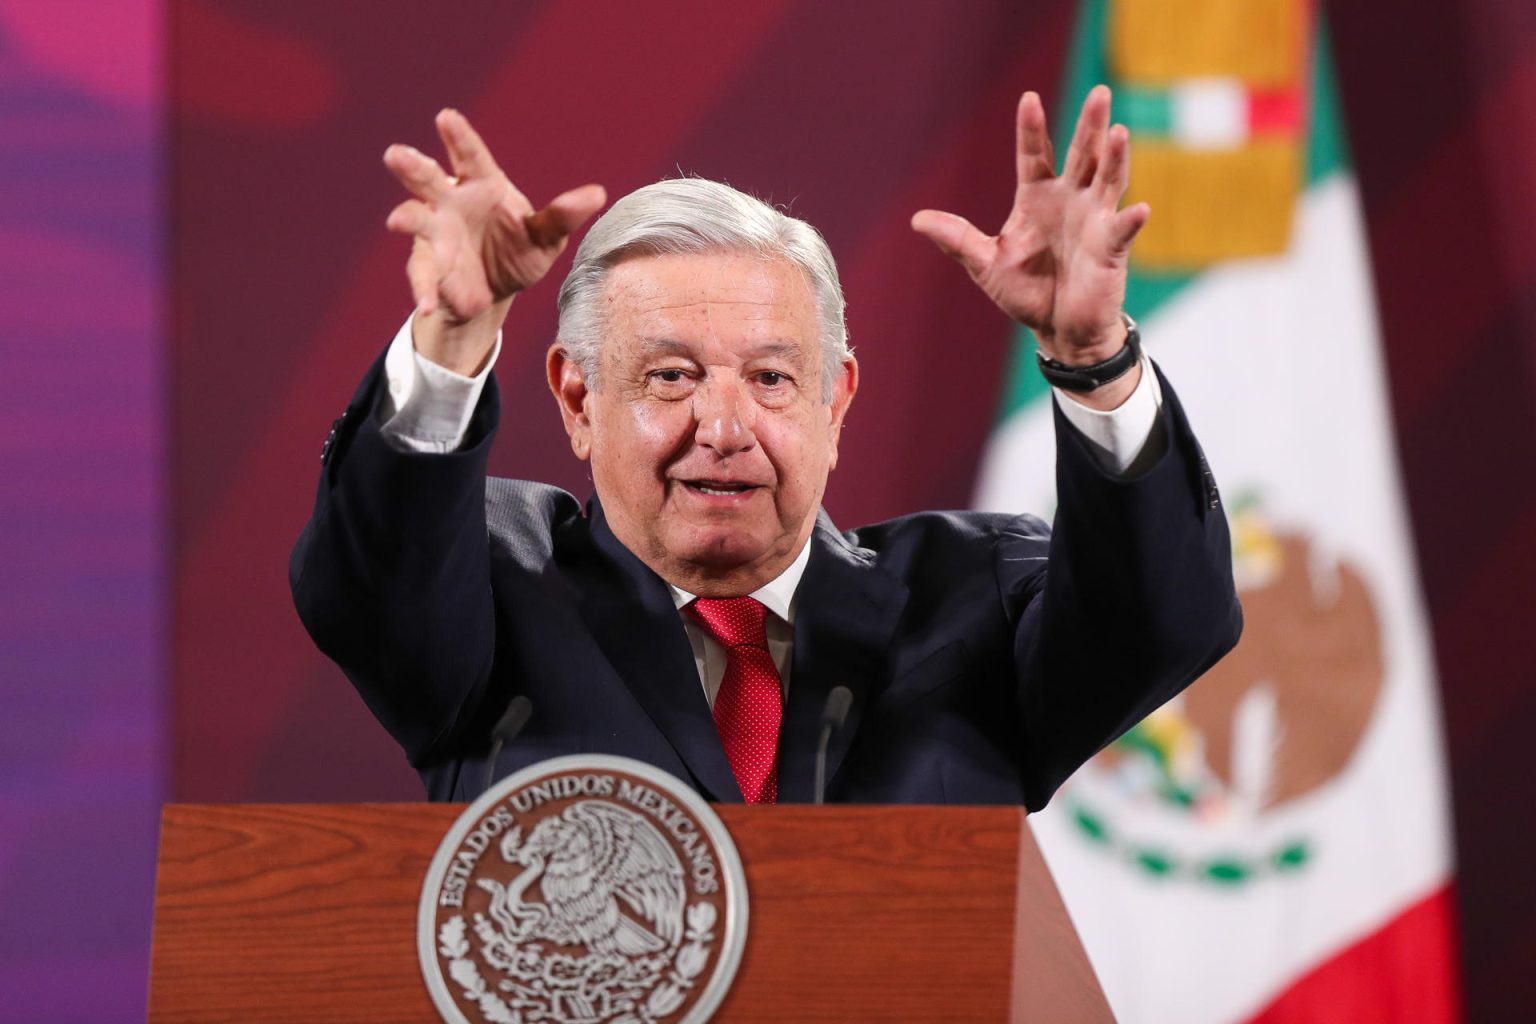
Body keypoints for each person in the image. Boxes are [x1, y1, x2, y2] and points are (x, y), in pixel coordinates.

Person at [291, 87, 1241, 807]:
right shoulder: (494, 583)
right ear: (578, 400)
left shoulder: (972, 598)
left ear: (836, 402)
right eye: (670, 376)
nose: (726, 426)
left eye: (774, 379)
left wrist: (1093, 361)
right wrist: (450, 344)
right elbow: (369, 580)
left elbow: (1161, 622)